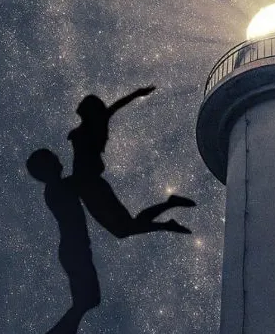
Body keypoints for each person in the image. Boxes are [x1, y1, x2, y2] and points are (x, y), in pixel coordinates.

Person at [68, 85, 196, 238]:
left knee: (123, 229)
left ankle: (168, 217)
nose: (78, 106)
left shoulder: (95, 125)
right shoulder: (89, 127)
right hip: (88, 185)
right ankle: (169, 212)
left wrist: (137, 94)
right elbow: (114, 107)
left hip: (90, 185)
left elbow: (115, 106)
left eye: (82, 104)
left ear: (89, 109)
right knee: (125, 227)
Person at [26, 148, 100, 334]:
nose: (59, 160)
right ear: (47, 167)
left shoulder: (57, 188)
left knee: (88, 298)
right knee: (87, 298)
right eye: (54, 159)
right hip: (74, 250)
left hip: (75, 250)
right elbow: (82, 179)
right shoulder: (57, 188)